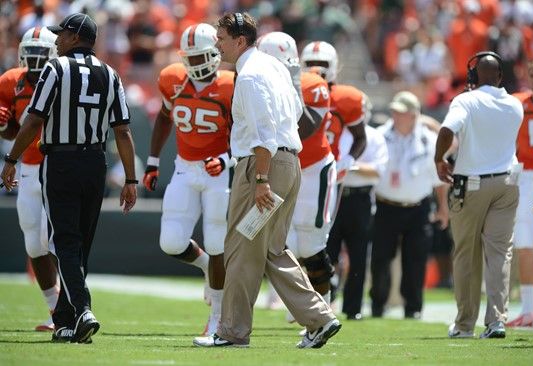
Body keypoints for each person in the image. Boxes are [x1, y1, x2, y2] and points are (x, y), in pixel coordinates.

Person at [193, 12, 340, 349]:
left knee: (241, 248)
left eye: (222, 38)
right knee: (271, 249)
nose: (217, 43)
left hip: (264, 167)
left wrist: (260, 178)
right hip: (289, 164)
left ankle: (232, 332)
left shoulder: (250, 77)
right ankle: (320, 318)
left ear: (239, 40)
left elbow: (263, 134)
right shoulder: (271, 66)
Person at [1, 13, 138, 344]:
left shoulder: (55, 68)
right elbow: (123, 130)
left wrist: (11, 158)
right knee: (79, 244)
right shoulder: (110, 73)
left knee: (64, 240)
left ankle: (82, 308)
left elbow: (34, 121)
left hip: (60, 160)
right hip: (94, 161)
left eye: (62, 34)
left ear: (76, 37)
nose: (58, 40)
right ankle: (65, 322)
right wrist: (131, 180)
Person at [142, 23, 234, 336]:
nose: (194, 64)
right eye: (190, 58)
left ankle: (218, 319)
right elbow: (165, 117)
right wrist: (153, 161)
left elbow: (244, 132)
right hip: (184, 167)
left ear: (216, 55)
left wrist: (224, 159)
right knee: (171, 242)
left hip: (218, 172)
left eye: (201, 57)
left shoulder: (232, 85)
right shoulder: (172, 79)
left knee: (217, 241)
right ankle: (208, 267)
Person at [435, 51, 523, 339]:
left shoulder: (466, 100)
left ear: (473, 76)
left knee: (466, 254)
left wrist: (439, 159)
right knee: (500, 254)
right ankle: (496, 321)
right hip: (507, 183)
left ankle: (464, 325)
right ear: (500, 76)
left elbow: (448, 128)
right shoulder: (514, 104)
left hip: (472, 183)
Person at [257, 31, 337, 314]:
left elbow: (303, 129)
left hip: (313, 166)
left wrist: (291, 86)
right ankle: (294, 301)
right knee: (279, 240)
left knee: (311, 244)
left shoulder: (312, 84)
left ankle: (323, 304)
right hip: (277, 167)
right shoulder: (251, 83)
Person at [0, 26, 59, 332]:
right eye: (31, 53)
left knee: (54, 241)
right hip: (28, 168)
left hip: (58, 167)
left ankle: (70, 308)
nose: (35, 59)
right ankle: (54, 308)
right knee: (33, 244)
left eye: (41, 53)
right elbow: (13, 130)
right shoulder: (12, 81)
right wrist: (2, 126)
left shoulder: (63, 77)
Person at [370, 91, 449, 320]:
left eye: (401, 112)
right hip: (385, 205)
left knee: (415, 259)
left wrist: (443, 208)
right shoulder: (379, 135)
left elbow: (439, 180)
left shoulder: (429, 139)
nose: (395, 115)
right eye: (394, 110)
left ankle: (413, 308)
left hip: (418, 207)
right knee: (381, 258)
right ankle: (378, 304)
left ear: (414, 115)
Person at [327, 116, 388, 320]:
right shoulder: (339, 131)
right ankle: (325, 301)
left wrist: (351, 165)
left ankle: (353, 308)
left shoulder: (374, 136)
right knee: (327, 252)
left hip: (360, 198)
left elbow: (378, 170)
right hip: (335, 194)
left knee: (358, 255)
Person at [507, 57, 533, 328]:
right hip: (525, 177)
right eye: (531, 73)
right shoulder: (517, 102)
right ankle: (528, 309)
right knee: (524, 243)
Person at [300, 41, 367, 183]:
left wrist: (349, 159)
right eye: (310, 62)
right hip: (295, 168)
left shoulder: (345, 98)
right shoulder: (292, 93)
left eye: (322, 63)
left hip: (326, 168)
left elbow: (360, 137)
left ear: (334, 65)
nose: (315, 68)